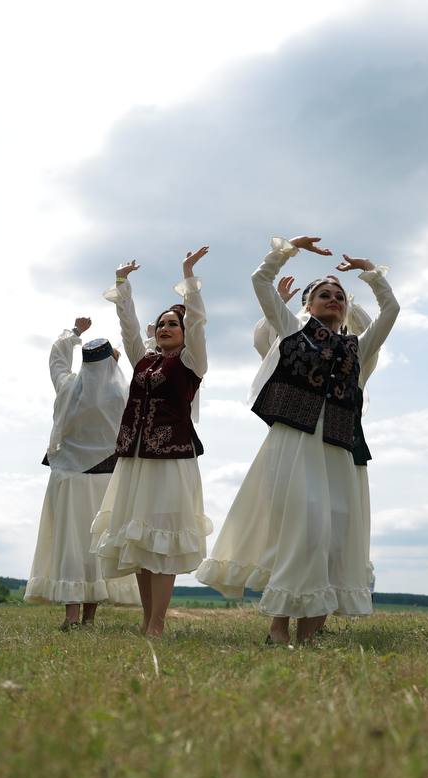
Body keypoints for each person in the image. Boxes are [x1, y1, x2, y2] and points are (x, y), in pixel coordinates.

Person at [196, 235, 399, 645]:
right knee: (304, 532)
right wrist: (287, 249)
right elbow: (259, 281)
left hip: (338, 451)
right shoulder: (292, 329)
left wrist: (371, 274)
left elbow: (391, 310)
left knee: (329, 539)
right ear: (308, 305)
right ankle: (278, 628)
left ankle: (307, 635)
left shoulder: (359, 347)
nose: (333, 300)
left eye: (339, 296)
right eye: (324, 295)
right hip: (293, 447)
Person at [90, 249, 213, 637]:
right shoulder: (144, 361)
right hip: (135, 461)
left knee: (161, 548)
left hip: (171, 461)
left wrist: (188, 277)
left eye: (172, 324)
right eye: (160, 324)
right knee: (141, 546)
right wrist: (123, 286)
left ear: (184, 329)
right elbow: (128, 329)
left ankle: (157, 624)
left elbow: (197, 325)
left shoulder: (191, 361)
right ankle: (147, 622)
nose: (165, 328)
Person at [24, 319, 140, 630]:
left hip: (68, 479)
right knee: (95, 548)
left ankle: (72, 617)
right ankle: (87, 618)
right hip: (105, 479)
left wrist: (73, 333)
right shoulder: (120, 394)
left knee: (70, 546)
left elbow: (57, 359)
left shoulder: (67, 387)